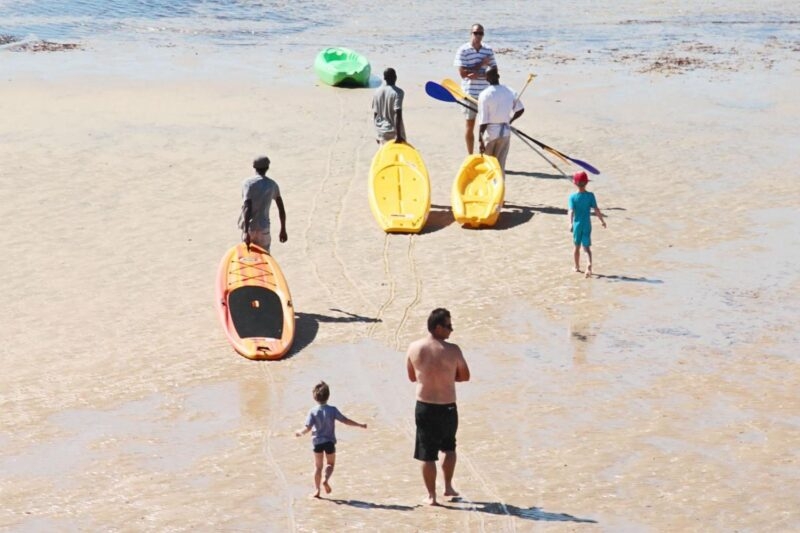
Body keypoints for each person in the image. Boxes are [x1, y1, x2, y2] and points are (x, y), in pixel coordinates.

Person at [406, 308, 471, 506]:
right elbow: (465, 376)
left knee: (427, 453)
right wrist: (447, 377)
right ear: (438, 327)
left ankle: (431, 496)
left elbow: (411, 377)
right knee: (449, 448)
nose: (452, 330)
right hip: (447, 406)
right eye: (449, 326)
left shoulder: (414, 348)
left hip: (425, 406)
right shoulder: (453, 350)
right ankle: (448, 487)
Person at [295, 381, 368, 498]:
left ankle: (317, 491)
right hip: (329, 442)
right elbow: (345, 420)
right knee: (330, 464)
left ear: (314, 397)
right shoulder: (332, 410)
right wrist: (359, 425)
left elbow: (307, 428)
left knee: (318, 467)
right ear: (328, 396)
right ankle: (326, 479)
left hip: (317, 442)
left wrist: (300, 432)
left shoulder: (313, 411)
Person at [454, 23, 496, 154]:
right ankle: (470, 155)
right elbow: (462, 73)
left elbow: (494, 70)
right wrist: (481, 65)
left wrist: (478, 73)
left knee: (487, 127)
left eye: (481, 33)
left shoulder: (488, 50)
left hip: (486, 94)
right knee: (470, 125)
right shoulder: (463, 50)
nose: (478, 36)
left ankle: (485, 154)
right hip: (469, 94)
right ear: (470, 33)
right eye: (476, 33)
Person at [477, 66, 525, 174]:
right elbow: (520, 110)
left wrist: (480, 139)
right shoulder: (510, 91)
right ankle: (500, 187)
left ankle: (490, 189)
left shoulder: (484, 95)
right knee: (500, 166)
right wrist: (510, 121)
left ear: (486, 79)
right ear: (498, 76)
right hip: (505, 133)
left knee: (488, 166)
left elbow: (483, 121)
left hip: (491, 134)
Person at [238, 156, 287, 253]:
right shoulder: (272, 184)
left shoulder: (247, 183)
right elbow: (281, 209)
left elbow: (247, 207)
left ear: (254, 167)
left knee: (247, 255)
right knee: (264, 255)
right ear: (267, 167)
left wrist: (246, 231)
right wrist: (283, 230)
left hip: (250, 228)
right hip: (264, 228)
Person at [568, 171, 607, 278]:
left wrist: (570, 223)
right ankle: (589, 265)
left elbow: (571, 211)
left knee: (576, 247)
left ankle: (576, 267)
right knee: (587, 248)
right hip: (587, 225)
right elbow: (596, 209)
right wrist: (602, 221)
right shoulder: (590, 196)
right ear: (587, 183)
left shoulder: (572, 197)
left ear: (575, 183)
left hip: (577, 225)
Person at [372, 67, 406, 145]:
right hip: (393, 132)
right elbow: (397, 113)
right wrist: (398, 135)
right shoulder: (398, 92)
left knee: (383, 156)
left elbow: (375, 114)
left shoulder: (377, 92)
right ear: (395, 77)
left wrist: (377, 134)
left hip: (381, 131)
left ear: (384, 78)